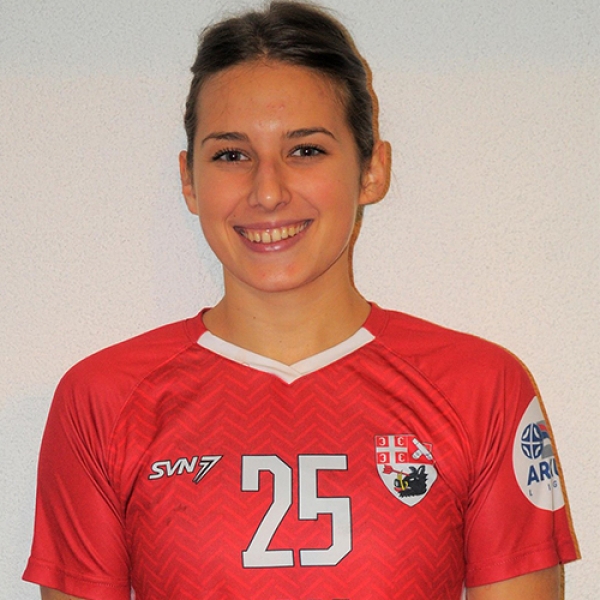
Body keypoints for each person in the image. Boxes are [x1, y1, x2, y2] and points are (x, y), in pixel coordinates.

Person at [23, 2, 578, 599]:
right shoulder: (102, 401)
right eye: (231, 155)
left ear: (372, 170)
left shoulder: (479, 389)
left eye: (306, 150)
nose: (267, 192)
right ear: (189, 180)